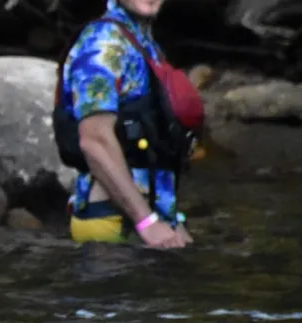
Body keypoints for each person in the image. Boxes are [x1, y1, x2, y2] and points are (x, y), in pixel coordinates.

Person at [53, 0, 205, 248]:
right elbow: (95, 140)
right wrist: (147, 223)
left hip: (148, 219)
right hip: (112, 222)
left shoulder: (142, 41)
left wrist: (170, 221)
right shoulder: (103, 43)